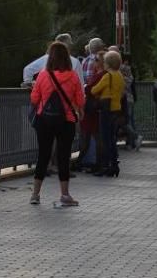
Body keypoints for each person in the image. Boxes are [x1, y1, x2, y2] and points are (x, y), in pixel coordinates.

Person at [29, 41, 85, 206]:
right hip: (66, 121)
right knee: (63, 157)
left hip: (44, 120)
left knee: (43, 155)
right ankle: (65, 195)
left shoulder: (43, 75)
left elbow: (34, 99)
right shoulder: (73, 76)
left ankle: (35, 194)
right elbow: (80, 100)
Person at [90, 50, 125, 177]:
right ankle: (114, 165)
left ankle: (106, 166)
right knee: (112, 139)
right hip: (116, 109)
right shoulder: (120, 76)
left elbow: (94, 90)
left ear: (108, 63)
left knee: (105, 139)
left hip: (106, 110)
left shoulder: (107, 76)